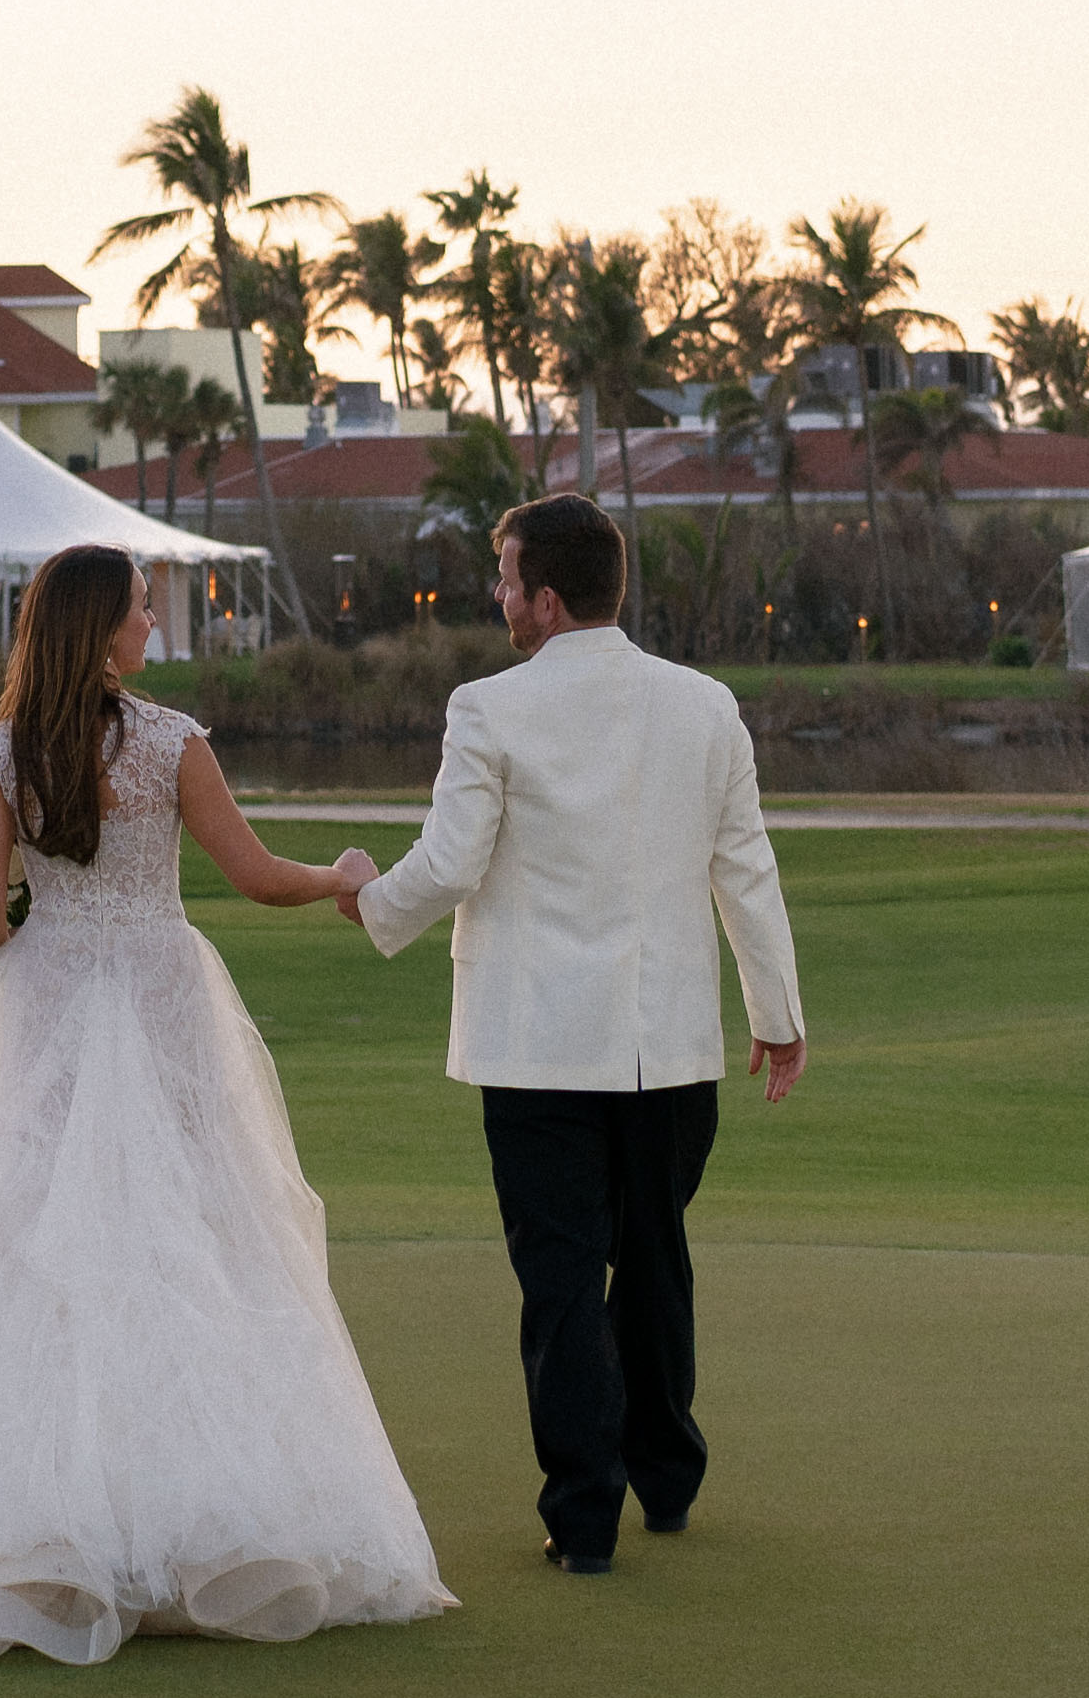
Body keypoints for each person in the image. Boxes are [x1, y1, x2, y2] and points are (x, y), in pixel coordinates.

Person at [0, 540, 453, 1662]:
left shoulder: (2, 752)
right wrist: (344, 877)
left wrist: (42, 927)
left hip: (49, 1000)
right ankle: (184, 1530)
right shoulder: (172, 744)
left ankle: (19, 1526)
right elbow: (257, 875)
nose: (150, 622)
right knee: (181, 1228)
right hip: (162, 994)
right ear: (103, 627)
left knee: (22, 1231)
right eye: (138, 607)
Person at [325, 491, 805, 1578]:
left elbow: (448, 865)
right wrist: (776, 1018)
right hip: (668, 1050)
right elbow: (746, 871)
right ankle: (668, 1482)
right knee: (653, 1263)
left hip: (537, 1050)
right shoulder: (705, 706)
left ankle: (583, 1519)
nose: (494, 596)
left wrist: (367, 896)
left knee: (559, 1282)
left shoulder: (487, 709)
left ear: (544, 597)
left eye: (502, 579)